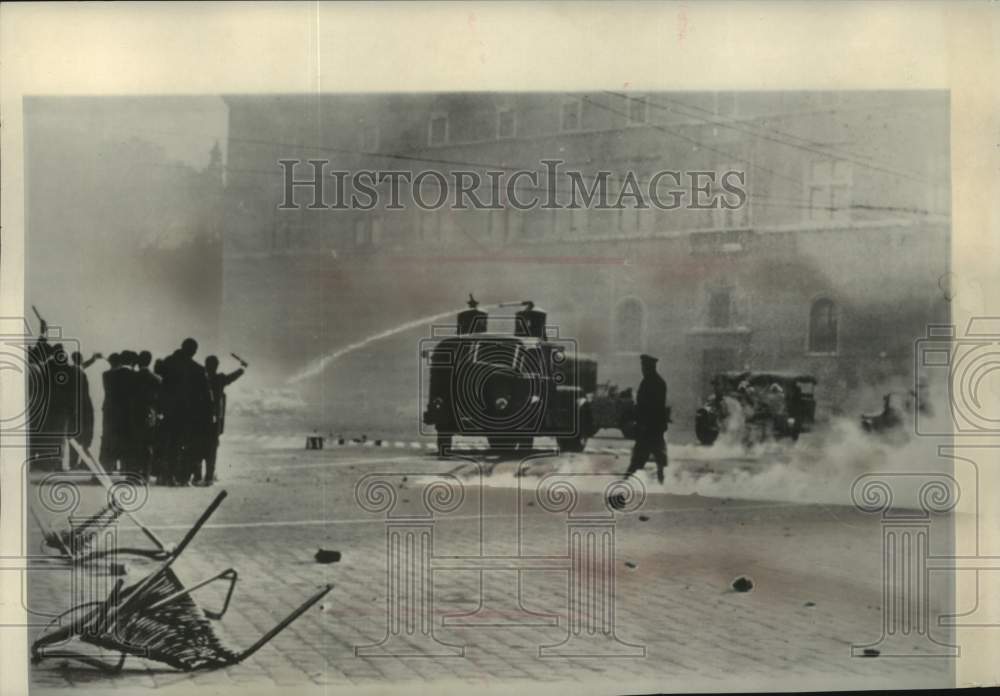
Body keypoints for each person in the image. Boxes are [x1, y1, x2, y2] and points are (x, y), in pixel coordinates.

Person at [197, 354, 247, 485]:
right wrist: (242, 368)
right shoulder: (219, 379)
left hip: (199, 421)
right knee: (212, 450)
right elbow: (232, 377)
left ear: (206, 365)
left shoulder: (200, 380)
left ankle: (197, 476)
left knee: (198, 448)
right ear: (216, 366)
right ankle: (208, 477)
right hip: (214, 422)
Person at [623, 354, 669, 484]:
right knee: (660, 459)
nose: (642, 369)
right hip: (655, 428)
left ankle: (624, 483)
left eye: (644, 366)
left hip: (649, 429)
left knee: (639, 459)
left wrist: (640, 422)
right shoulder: (656, 382)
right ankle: (663, 484)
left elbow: (650, 407)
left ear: (649, 367)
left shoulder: (651, 382)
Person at [67, 350, 102, 468]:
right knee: (86, 434)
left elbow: (83, 365)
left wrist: (93, 359)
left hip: (78, 405)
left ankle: (74, 462)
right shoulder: (77, 371)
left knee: (76, 434)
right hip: (84, 405)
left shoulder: (73, 370)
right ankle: (83, 462)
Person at [131, 350, 161, 481]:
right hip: (150, 414)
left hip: (134, 414)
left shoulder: (132, 377)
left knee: (135, 444)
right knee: (148, 445)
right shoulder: (156, 378)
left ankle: (134, 473)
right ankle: (146, 475)